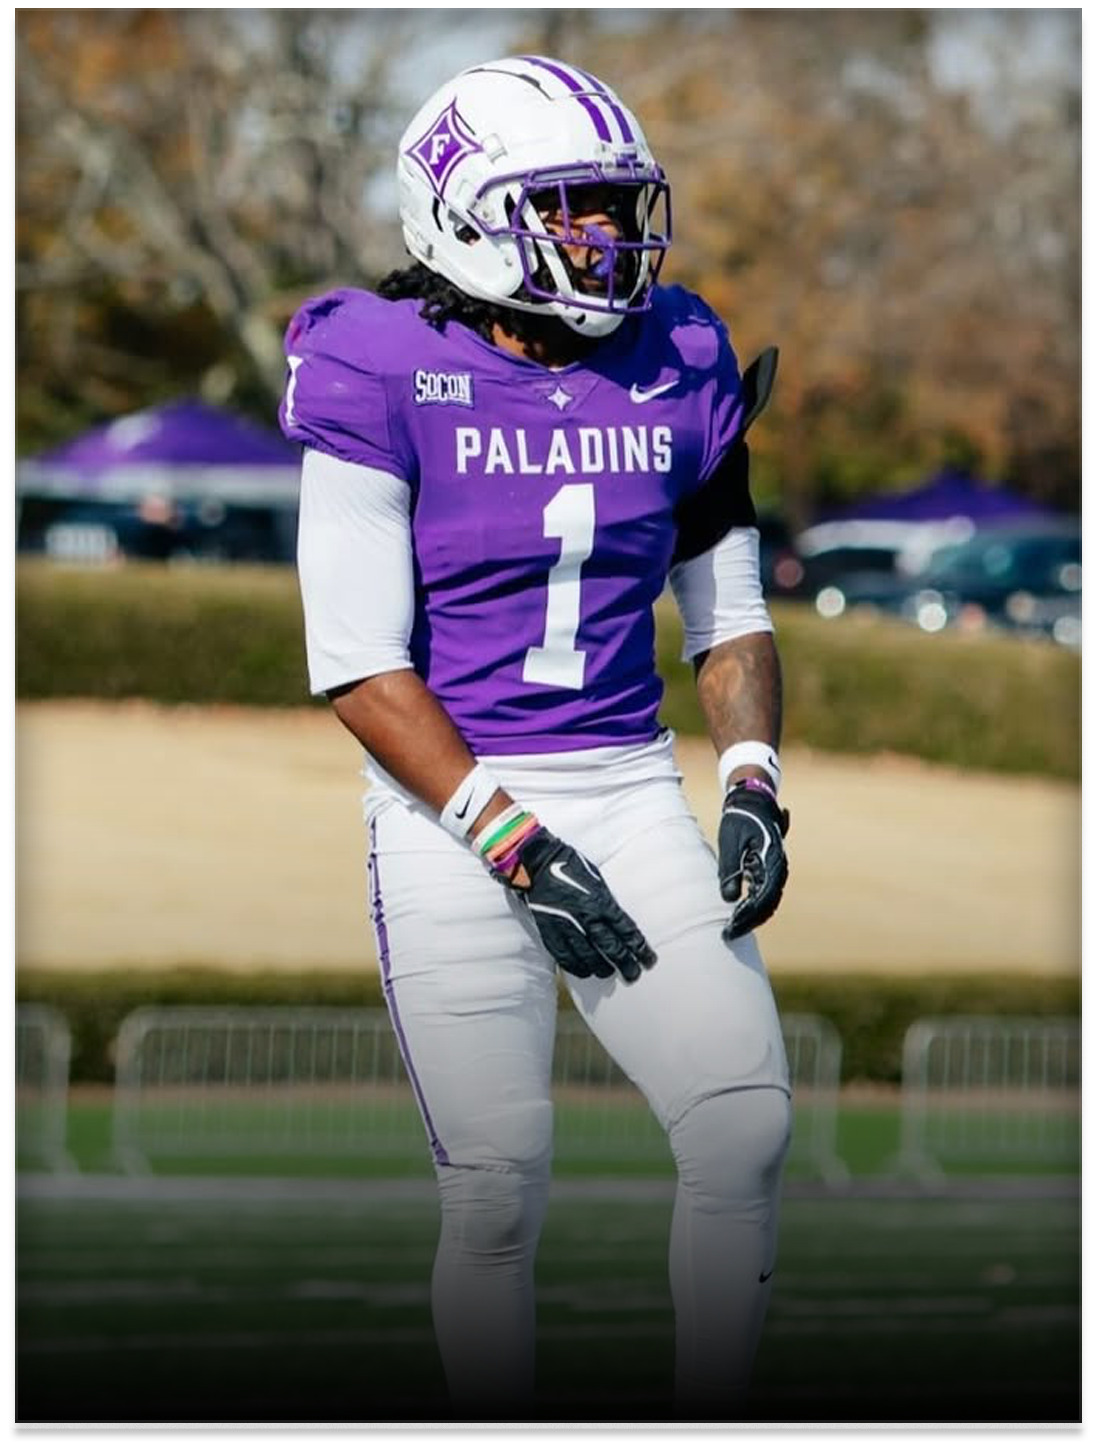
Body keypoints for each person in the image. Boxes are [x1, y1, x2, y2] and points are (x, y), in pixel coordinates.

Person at [280, 54, 793, 1421]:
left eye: (617, 205)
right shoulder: (376, 360)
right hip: (451, 808)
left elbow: (730, 612)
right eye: (570, 206)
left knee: (744, 1125)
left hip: (626, 788)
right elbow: (356, 663)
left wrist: (752, 777)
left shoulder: (681, 350)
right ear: (462, 212)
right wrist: (512, 841)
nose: (606, 234)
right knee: (498, 1184)